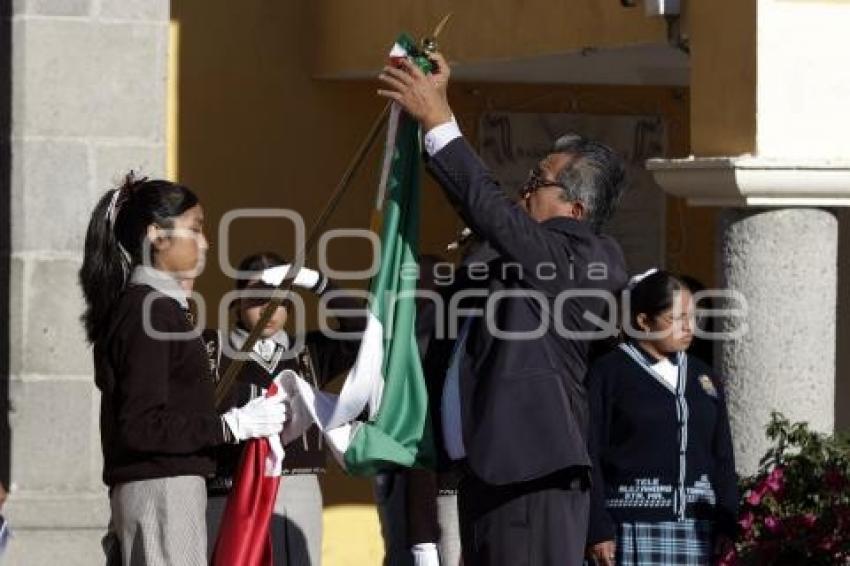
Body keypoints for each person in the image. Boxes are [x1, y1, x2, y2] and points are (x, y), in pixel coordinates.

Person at [378, 55, 629, 565]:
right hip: (486, 473)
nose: (524, 190)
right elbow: (482, 215)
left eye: (538, 182)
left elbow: (489, 208)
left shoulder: (586, 256)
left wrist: (439, 122)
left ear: (575, 210)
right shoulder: (517, 258)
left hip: (531, 475)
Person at [79, 174, 288, 565]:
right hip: (162, 491)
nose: (205, 243)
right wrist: (231, 426)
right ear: (157, 235)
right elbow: (141, 424)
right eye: (195, 229)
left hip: (168, 488)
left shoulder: (157, 307)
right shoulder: (150, 310)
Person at [205, 252, 366, 566]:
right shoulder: (210, 348)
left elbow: (364, 334)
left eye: (279, 297)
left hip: (297, 487)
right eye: (256, 296)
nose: (268, 306)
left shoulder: (308, 350)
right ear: (237, 300)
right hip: (233, 485)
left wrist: (319, 283)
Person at [585, 270, 738, 565]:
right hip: (629, 528)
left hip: (697, 529)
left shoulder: (703, 377)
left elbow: (723, 455)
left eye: (693, 318)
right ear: (644, 321)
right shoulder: (609, 373)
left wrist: (727, 518)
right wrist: (597, 527)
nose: (689, 327)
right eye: (676, 319)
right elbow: (590, 453)